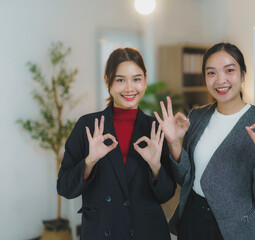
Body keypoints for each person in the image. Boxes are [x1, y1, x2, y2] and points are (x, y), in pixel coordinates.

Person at [154, 42, 255, 240]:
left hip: (234, 228)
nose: (220, 80)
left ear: (243, 75)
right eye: (211, 73)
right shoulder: (198, 116)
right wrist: (174, 143)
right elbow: (184, 178)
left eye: (229, 70)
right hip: (193, 218)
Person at [57, 47, 176, 240]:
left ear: (145, 80)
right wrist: (89, 162)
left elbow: (166, 194)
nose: (130, 88)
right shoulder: (87, 126)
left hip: (148, 232)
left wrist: (156, 167)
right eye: (120, 80)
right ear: (107, 81)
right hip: (102, 231)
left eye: (137, 79)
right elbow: (65, 188)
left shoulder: (155, 129)